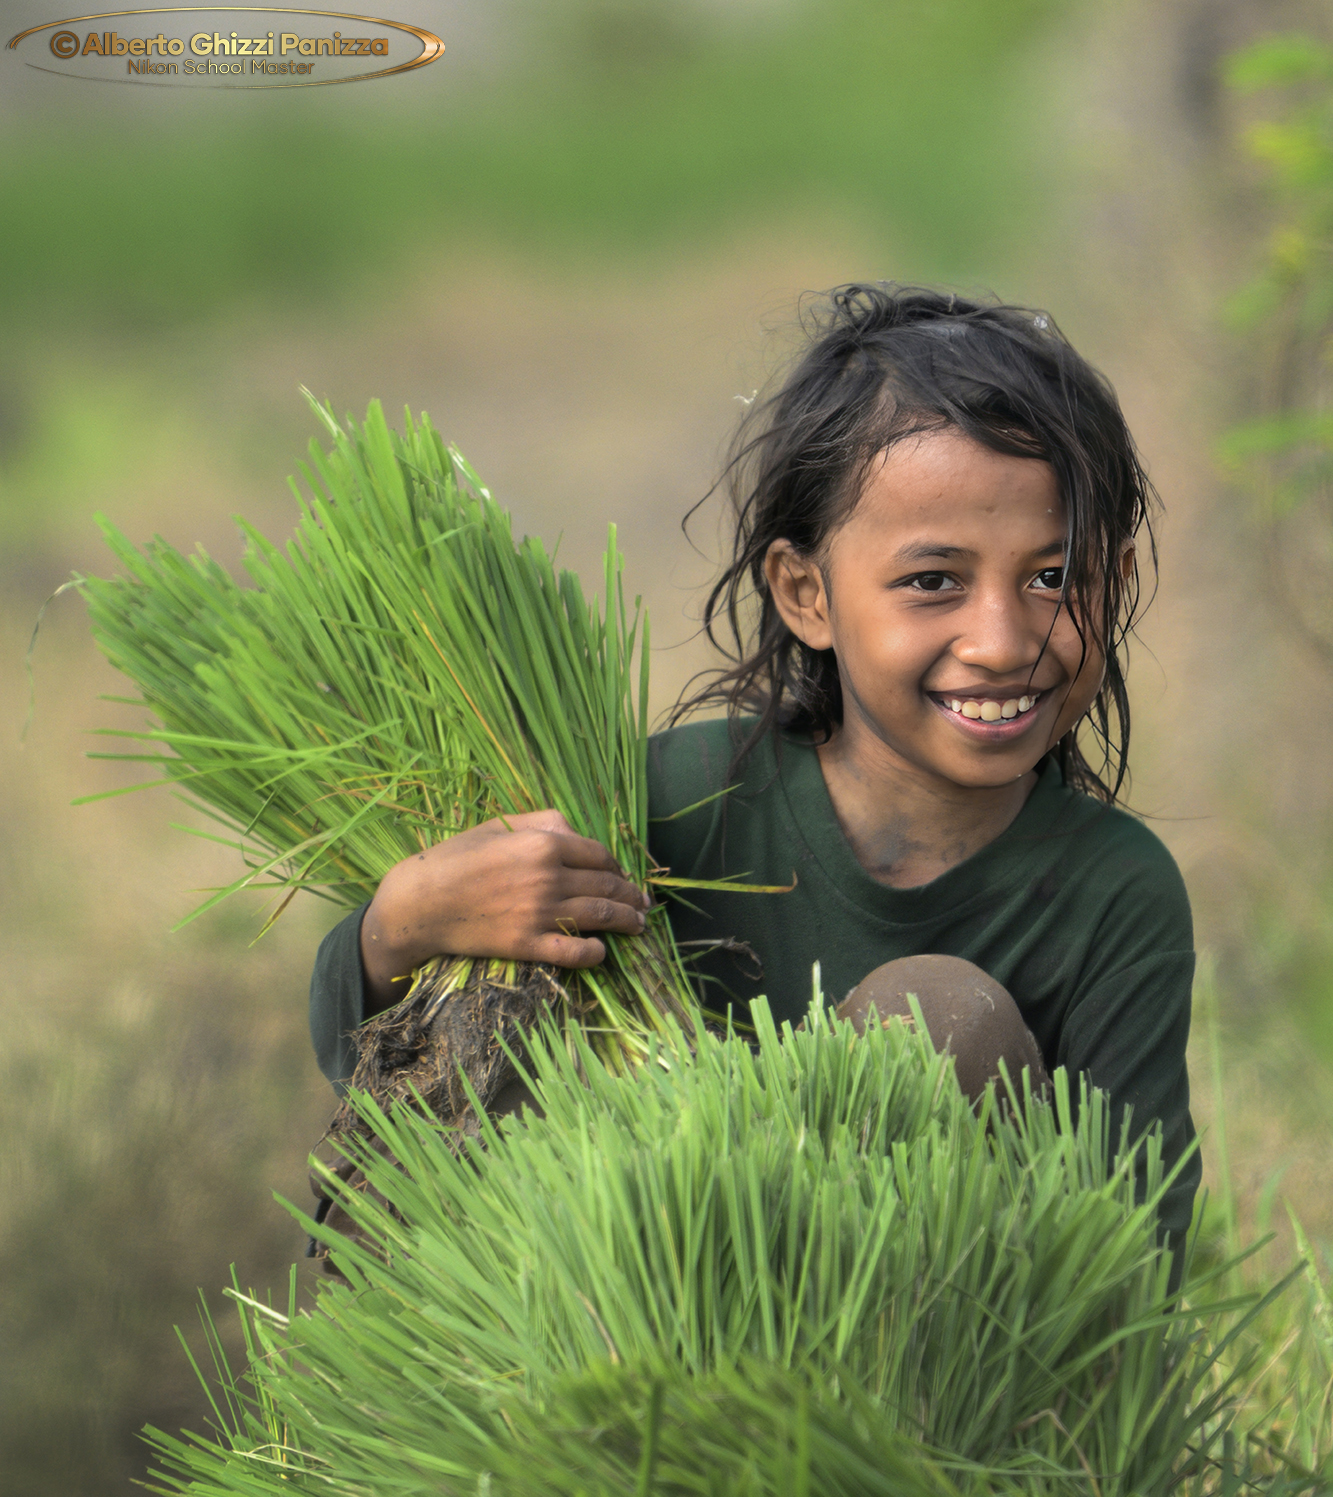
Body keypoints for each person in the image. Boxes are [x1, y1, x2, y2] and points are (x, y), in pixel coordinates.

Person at [309, 283, 1198, 1251]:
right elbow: (365, 1047)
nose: (999, 639)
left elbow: (1134, 1257)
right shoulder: (669, 807)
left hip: (915, 1354)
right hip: (610, 1319)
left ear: (1108, 580)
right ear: (804, 592)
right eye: (933, 581)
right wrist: (400, 927)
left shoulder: (1113, 893)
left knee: (942, 1019)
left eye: (1052, 576)